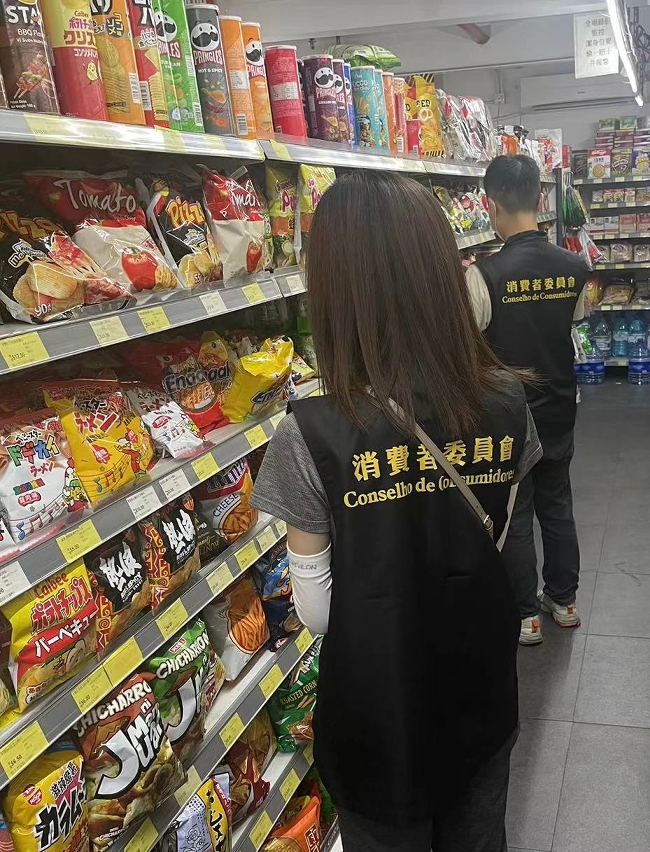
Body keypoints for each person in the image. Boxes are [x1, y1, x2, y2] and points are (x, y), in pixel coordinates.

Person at [250, 170, 542, 852]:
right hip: (479, 692)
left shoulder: (312, 431)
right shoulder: (506, 401)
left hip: (378, 716)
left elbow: (317, 613)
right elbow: (508, 543)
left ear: (335, 290)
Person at [466, 154, 591, 646]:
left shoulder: (483, 275)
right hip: (559, 405)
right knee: (557, 505)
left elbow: (469, 341)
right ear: (541, 198)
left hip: (508, 414)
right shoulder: (575, 267)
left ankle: (525, 617)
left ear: (490, 205)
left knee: (515, 514)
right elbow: (571, 324)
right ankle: (564, 600)